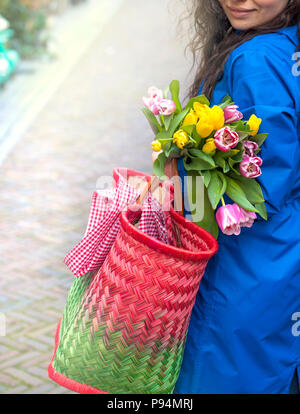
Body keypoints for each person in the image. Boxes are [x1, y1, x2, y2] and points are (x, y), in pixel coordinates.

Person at [171, 0, 300, 393]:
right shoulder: (287, 44)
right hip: (283, 253)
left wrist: (178, 163)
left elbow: (265, 180)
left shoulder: (256, 56)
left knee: (224, 374)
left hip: (248, 263)